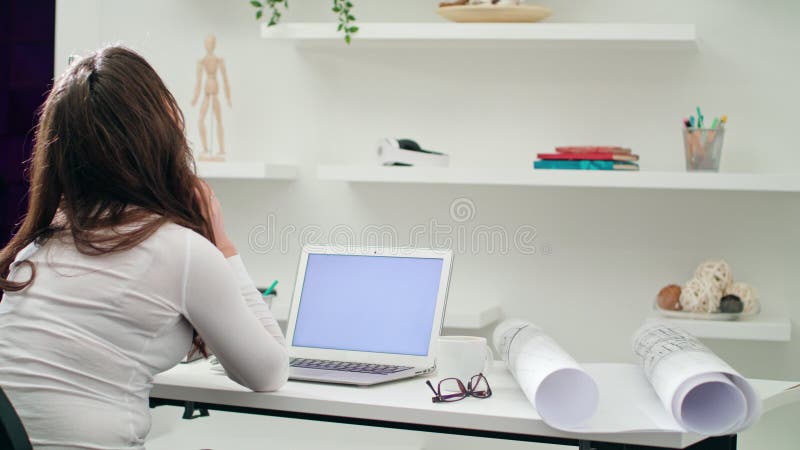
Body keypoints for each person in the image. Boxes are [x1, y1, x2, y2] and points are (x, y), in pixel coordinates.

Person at [0, 46, 288, 449]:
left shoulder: (34, 252)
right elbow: (269, 372)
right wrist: (221, 242)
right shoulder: (181, 252)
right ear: (159, 138)